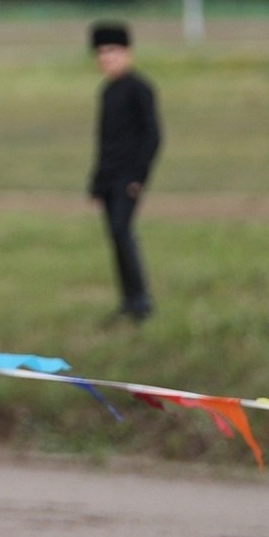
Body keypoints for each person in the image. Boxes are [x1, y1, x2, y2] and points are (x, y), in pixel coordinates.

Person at [87, 20, 161, 322]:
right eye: (102, 52)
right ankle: (128, 300)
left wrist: (138, 176)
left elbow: (153, 136)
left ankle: (140, 300)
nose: (108, 58)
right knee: (115, 237)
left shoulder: (140, 89)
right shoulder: (106, 91)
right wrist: (95, 182)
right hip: (108, 178)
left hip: (128, 179)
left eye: (113, 51)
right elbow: (104, 142)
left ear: (127, 53)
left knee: (122, 232)